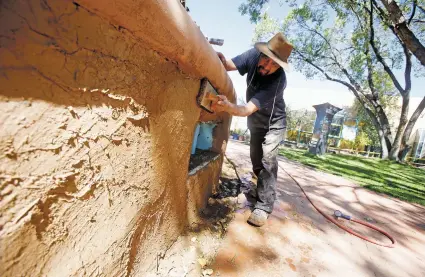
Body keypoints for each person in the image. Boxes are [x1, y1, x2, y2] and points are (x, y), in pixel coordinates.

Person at [212, 33, 293, 227]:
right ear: (262, 53)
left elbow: (247, 108)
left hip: (274, 122)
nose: (267, 67)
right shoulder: (253, 55)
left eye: (274, 65)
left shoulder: (278, 81)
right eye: (266, 61)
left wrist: (228, 106)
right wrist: (218, 60)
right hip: (255, 121)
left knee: (268, 158)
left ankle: (264, 207)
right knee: (256, 158)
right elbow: (229, 65)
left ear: (280, 67)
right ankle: (260, 187)